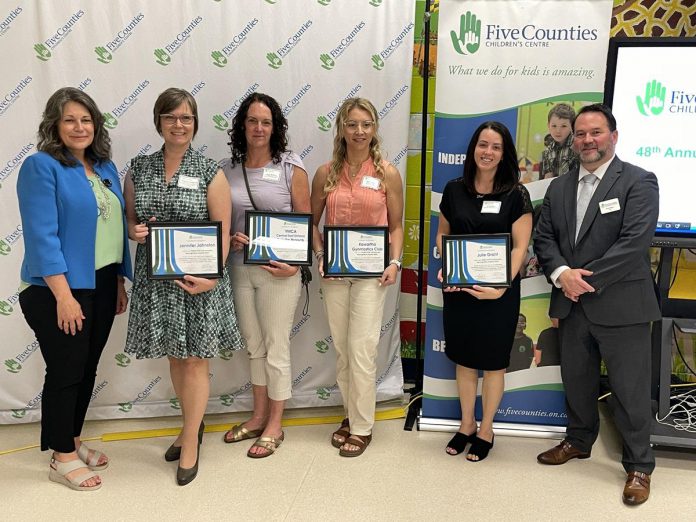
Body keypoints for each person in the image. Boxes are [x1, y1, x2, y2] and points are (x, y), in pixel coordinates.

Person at [534, 103, 660, 505]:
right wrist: (560, 275)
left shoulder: (639, 182)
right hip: (572, 305)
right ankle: (578, 440)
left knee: (629, 389)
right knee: (577, 379)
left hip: (621, 306)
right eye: (581, 134)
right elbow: (545, 240)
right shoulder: (559, 186)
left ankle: (640, 465)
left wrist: (582, 281)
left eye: (596, 132)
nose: (588, 140)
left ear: (613, 136)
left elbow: (633, 244)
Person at [124, 88, 244, 486]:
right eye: (171, 117)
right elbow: (131, 222)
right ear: (159, 121)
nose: (179, 124)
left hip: (200, 282)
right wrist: (136, 231)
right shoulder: (137, 169)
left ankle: (190, 440)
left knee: (195, 361)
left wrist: (212, 276)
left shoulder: (210, 171)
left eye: (187, 118)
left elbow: (224, 233)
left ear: (195, 124)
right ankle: (189, 426)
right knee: (176, 358)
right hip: (158, 283)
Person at [17, 87, 132, 491]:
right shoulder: (41, 167)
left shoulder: (104, 167)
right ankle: (61, 457)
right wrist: (63, 296)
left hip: (101, 282)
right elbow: (42, 236)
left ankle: (73, 439)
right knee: (66, 370)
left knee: (86, 368)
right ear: (55, 125)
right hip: (58, 288)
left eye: (86, 120)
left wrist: (118, 279)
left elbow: (111, 229)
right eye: (70, 120)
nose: (79, 127)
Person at [311, 98, 403, 457]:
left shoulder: (387, 173)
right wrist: (320, 255)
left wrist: (394, 262)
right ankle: (350, 415)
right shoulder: (325, 173)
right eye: (352, 124)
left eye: (366, 124)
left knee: (362, 349)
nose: (359, 131)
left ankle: (363, 427)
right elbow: (312, 224)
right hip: (334, 274)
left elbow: (395, 226)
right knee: (343, 349)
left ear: (375, 128)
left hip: (371, 276)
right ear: (341, 128)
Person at [220, 93, 311, 457]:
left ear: (276, 127)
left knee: (276, 346)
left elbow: (306, 221)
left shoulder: (292, 166)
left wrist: (297, 264)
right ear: (242, 125)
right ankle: (258, 416)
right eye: (253, 121)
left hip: (280, 273)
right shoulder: (226, 168)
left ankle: (276, 423)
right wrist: (229, 238)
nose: (259, 128)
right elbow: (220, 221)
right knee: (254, 346)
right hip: (240, 269)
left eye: (266, 122)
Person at [437, 121, 533, 462]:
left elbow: (520, 248)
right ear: (473, 148)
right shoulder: (453, 189)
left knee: (493, 365)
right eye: (483, 145)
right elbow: (443, 235)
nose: (487, 152)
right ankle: (466, 424)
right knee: (464, 360)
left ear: (504, 153)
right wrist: (446, 264)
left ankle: (486, 428)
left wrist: (499, 287)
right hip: (459, 290)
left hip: (499, 295)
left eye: (495, 146)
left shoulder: (516, 194)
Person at [540, 103, 579, 180]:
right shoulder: (548, 150)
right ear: (548, 125)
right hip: (556, 189)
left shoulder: (577, 146)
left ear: (572, 126)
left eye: (563, 126)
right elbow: (548, 177)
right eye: (554, 126)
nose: (558, 131)